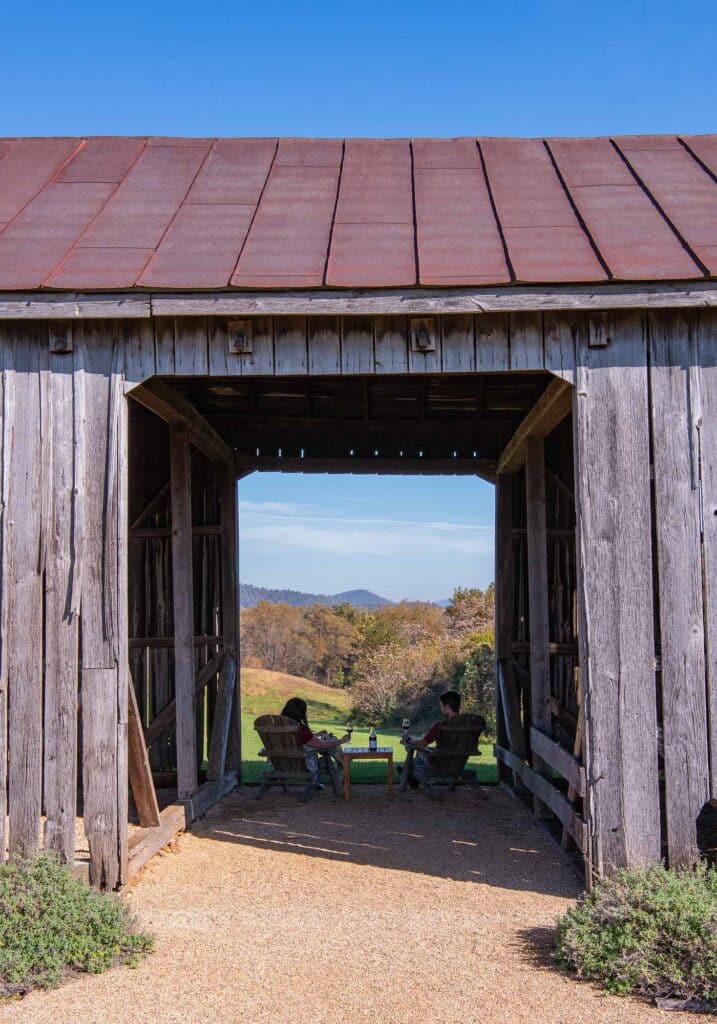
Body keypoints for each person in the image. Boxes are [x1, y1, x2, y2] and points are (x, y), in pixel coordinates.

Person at [280, 697, 350, 782]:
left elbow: (298, 739)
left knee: (329, 740)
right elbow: (321, 745)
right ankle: (342, 765)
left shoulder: (276, 728)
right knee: (328, 756)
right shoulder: (301, 729)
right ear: (301, 713)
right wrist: (342, 740)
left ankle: (340, 765)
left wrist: (317, 734)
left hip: (281, 764)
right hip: (303, 765)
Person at [402, 690, 461, 788]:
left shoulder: (440, 726)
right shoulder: (469, 725)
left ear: (447, 707)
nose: (440, 708)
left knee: (419, 753)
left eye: (441, 706)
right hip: (457, 765)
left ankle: (409, 774)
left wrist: (408, 740)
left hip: (438, 766)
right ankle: (410, 776)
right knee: (425, 752)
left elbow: (421, 743)